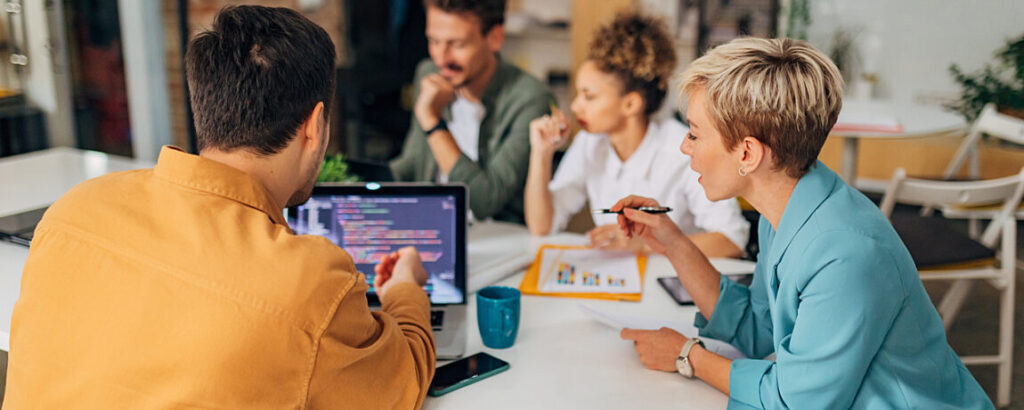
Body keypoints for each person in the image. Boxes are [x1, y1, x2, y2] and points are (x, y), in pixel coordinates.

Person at [3, 6, 435, 409]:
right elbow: (400, 383)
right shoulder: (308, 283)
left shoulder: (73, 210)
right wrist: (404, 289)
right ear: (315, 126)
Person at [615, 38, 992, 409]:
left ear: (747, 153)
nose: (685, 146)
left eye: (695, 133)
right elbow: (758, 330)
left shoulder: (846, 253)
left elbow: (796, 402)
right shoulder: (784, 209)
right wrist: (673, 243)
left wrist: (688, 356)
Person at [524, 13, 747, 258]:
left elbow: (731, 241)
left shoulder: (683, 150)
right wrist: (541, 153)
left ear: (630, 104)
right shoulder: (589, 143)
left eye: (589, 96)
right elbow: (542, 226)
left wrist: (645, 245)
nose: (575, 106)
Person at [389, 0, 554, 224]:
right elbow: (414, 163)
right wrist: (359, 181)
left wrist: (433, 123)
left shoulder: (530, 99)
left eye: (457, 44)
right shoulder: (429, 74)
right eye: (433, 41)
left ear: (495, 38)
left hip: (499, 233)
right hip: (434, 225)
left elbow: (484, 201)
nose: (441, 58)